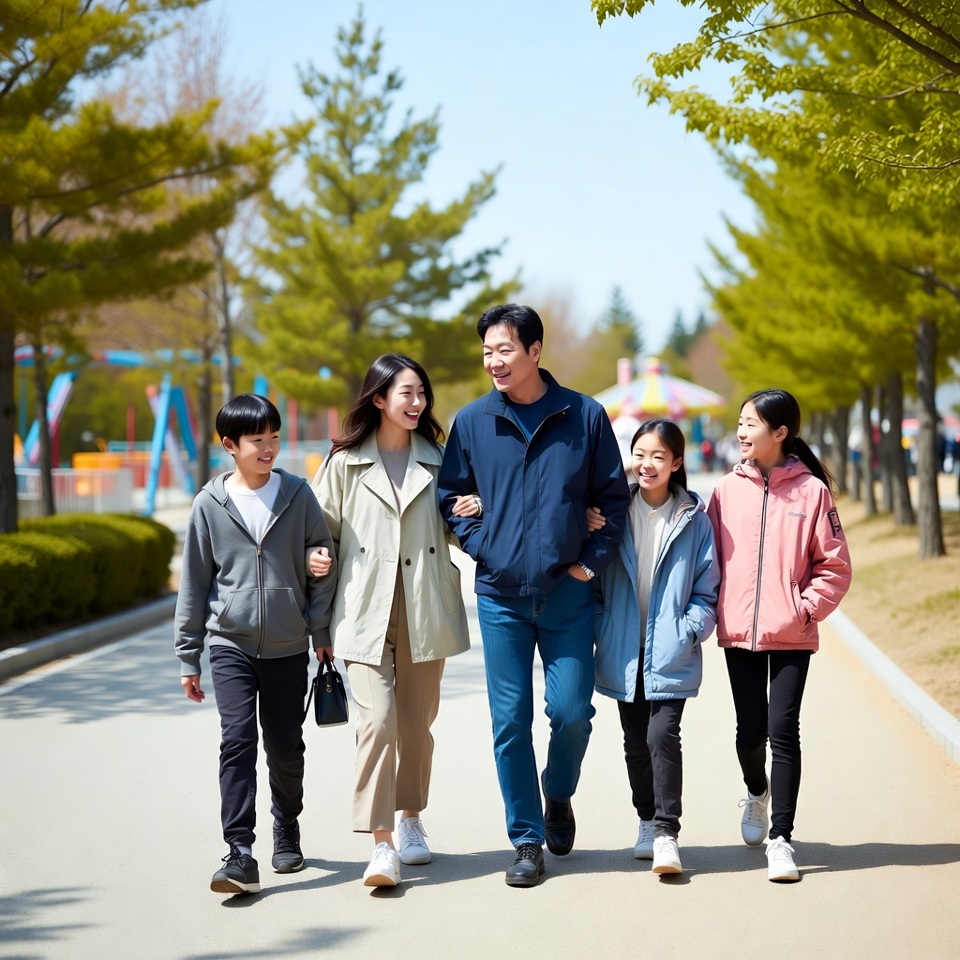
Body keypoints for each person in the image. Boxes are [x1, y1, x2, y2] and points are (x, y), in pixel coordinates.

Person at [438, 303, 630, 887]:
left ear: (535, 351)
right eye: (488, 352)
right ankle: (525, 840)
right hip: (500, 596)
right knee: (509, 721)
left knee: (572, 712)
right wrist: (479, 542)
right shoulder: (472, 422)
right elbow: (451, 496)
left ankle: (558, 793)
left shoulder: (585, 415)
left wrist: (590, 565)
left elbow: (614, 500)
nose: (495, 362)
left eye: (505, 350)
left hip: (568, 592)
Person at [309, 354, 474, 888]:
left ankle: (411, 820)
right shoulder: (343, 465)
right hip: (362, 611)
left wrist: (476, 510)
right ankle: (382, 844)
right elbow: (319, 532)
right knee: (376, 724)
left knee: (415, 727)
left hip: (426, 608)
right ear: (378, 399)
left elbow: (456, 529)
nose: (417, 402)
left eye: (421, 393)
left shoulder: (441, 460)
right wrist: (317, 561)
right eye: (406, 393)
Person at [175, 394, 337, 896]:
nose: (269, 449)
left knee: (286, 746)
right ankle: (239, 852)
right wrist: (189, 654)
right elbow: (195, 582)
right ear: (230, 445)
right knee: (237, 741)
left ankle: (286, 825)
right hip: (231, 644)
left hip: (289, 643)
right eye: (257, 441)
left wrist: (320, 625)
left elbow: (323, 552)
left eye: (273, 438)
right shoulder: (209, 504)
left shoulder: (298, 494)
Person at [706, 389, 852, 883]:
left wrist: (805, 610)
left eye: (750, 423)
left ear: (780, 432)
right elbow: (708, 559)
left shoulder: (812, 492)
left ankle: (782, 839)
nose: (741, 431)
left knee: (783, 732)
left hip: (791, 633)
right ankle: (756, 792)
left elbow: (834, 565)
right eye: (740, 422)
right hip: (739, 634)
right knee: (750, 732)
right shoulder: (726, 490)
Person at [594, 419, 719, 876]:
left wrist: (689, 629)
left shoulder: (694, 520)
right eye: (641, 454)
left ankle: (667, 832)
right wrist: (600, 622)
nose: (647, 465)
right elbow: (590, 576)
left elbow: (707, 591)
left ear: (677, 464)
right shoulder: (610, 512)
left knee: (661, 735)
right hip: (622, 649)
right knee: (634, 742)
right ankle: (645, 820)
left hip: (670, 650)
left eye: (659, 457)